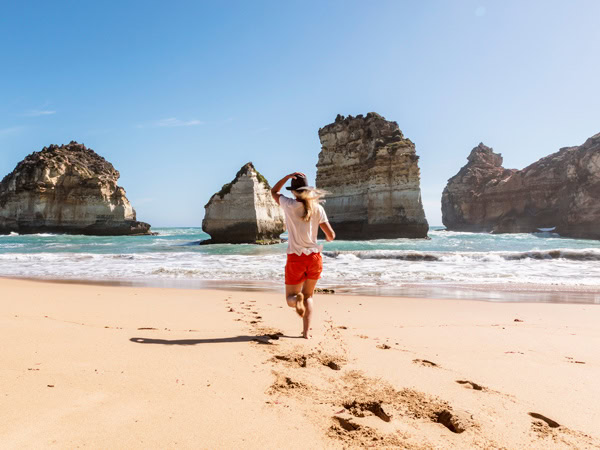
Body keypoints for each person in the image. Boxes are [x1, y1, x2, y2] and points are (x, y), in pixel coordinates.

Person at [271, 172, 335, 339]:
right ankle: (306, 333)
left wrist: (286, 177)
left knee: (290, 298)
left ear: (293, 191)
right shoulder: (318, 208)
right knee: (309, 296)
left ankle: (296, 299)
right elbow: (331, 235)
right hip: (314, 257)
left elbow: (274, 192)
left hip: (296, 258)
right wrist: (326, 238)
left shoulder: (288, 204)